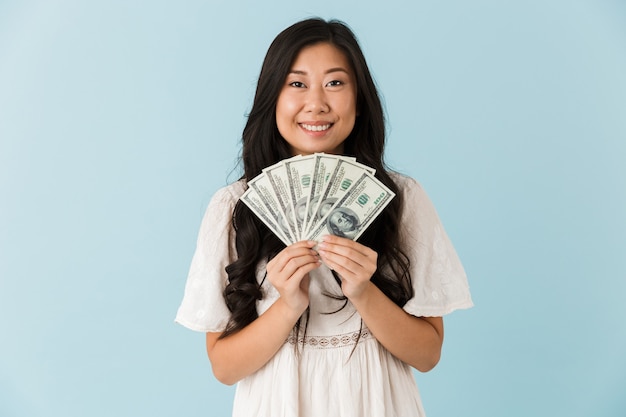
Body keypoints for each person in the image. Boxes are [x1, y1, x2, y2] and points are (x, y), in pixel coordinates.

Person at [175, 18, 473, 417]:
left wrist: (364, 291)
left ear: (359, 98)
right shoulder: (234, 206)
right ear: (272, 97)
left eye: (335, 83)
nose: (316, 103)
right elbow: (224, 367)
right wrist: (288, 304)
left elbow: (427, 354)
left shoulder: (402, 199)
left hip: (379, 404)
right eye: (296, 84)